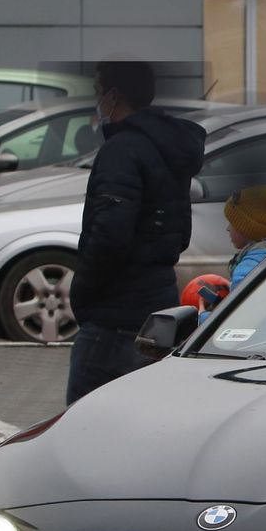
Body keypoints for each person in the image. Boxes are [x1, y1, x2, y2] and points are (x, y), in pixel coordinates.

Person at [66, 60, 206, 404]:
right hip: (156, 306)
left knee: (83, 426)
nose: (97, 101)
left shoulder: (123, 149)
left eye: (99, 92)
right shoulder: (167, 147)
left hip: (113, 316)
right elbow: (178, 231)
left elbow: (110, 235)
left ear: (114, 95)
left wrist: (83, 294)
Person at [198, 172, 266, 317]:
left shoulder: (248, 269)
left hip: (262, 338)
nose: (227, 228)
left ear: (247, 228)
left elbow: (237, 320)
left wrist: (202, 316)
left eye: (232, 223)